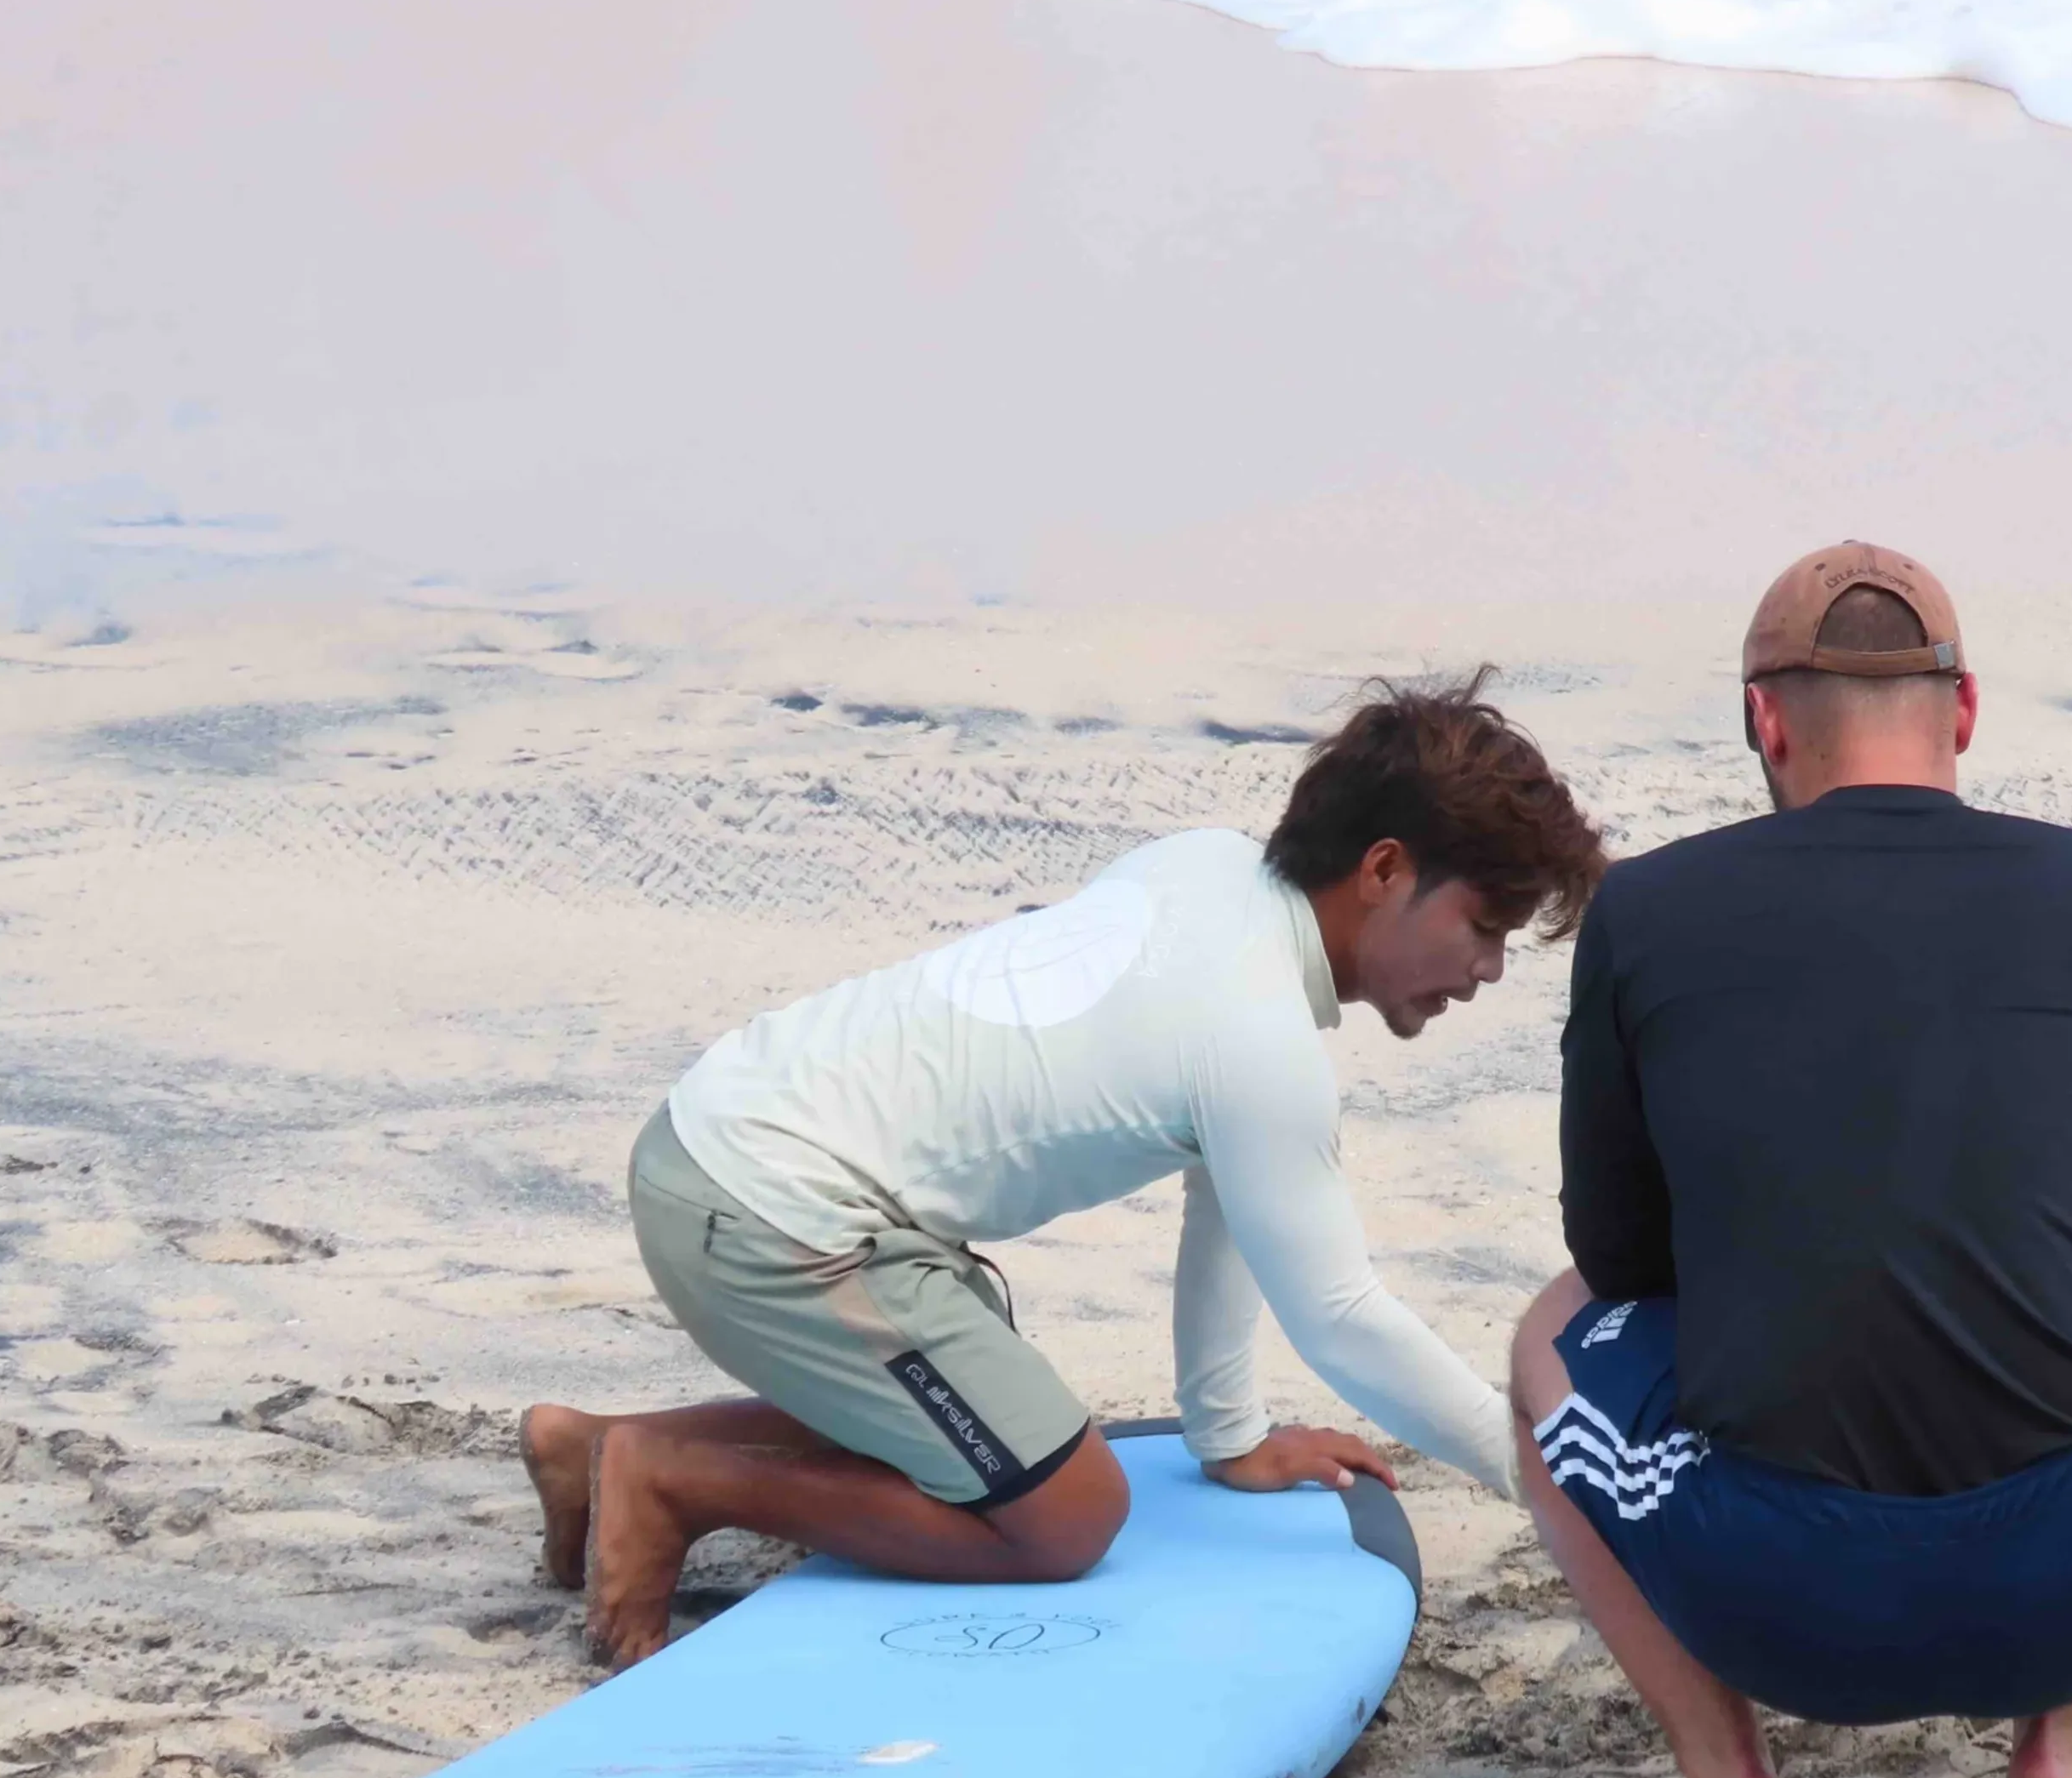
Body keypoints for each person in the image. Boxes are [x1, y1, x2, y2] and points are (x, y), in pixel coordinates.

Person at [524, 672, 1605, 1666]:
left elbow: (1229, 1187)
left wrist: (1225, 1438)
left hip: (719, 1144)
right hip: (773, 1217)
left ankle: (596, 1449)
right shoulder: (1259, 1041)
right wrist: (1545, 1486)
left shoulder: (1208, 867)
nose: (1489, 968)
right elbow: (1341, 1316)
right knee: (1065, 1511)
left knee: (991, 1419)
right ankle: (673, 1484)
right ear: (1383, 870)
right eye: (1485, 923)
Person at [1510, 543, 2072, 1778]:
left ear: (1763, 719)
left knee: (1545, 1335)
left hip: (1780, 1601)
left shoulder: (1647, 911)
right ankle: (2062, 1760)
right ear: (1965, 712)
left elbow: (1622, 1267)